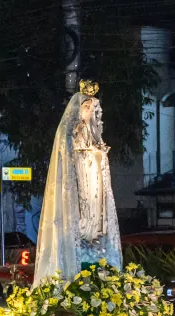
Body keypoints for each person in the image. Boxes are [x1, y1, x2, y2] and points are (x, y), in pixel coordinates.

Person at [33, 82, 123, 286]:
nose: (89, 111)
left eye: (92, 108)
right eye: (85, 107)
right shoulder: (68, 136)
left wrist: (98, 155)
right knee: (81, 215)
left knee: (95, 212)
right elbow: (65, 167)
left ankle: (95, 232)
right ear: (77, 109)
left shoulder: (94, 136)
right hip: (78, 186)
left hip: (94, 187)